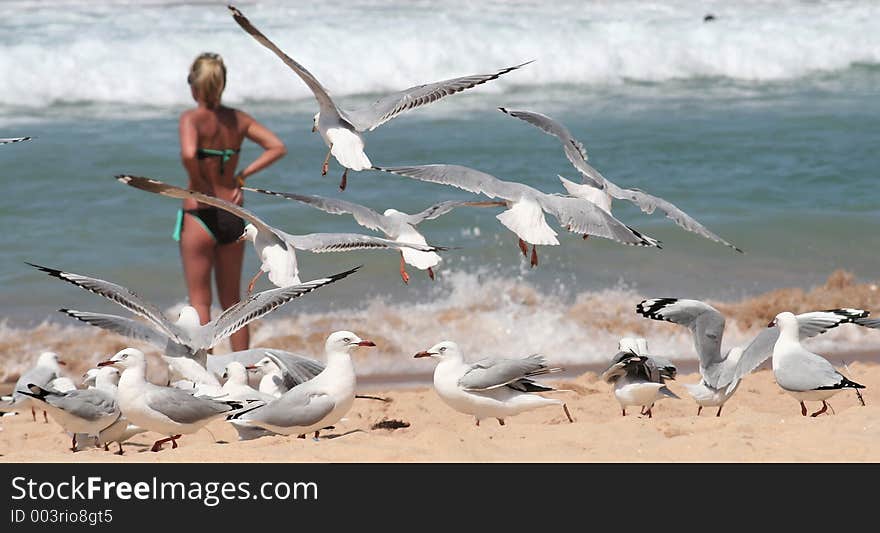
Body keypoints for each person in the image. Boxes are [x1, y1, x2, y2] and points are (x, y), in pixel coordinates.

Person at [175, 52, 286, 350]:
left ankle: (205, 373)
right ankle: (242, 372)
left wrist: (197, 181)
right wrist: (241, 176)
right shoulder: (238, 120)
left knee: (200, 302)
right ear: (222, 84)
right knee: (233, 303)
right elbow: (276, 146)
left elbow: (188, 153)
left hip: (199, 212)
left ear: (195, 86)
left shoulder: (191, 119)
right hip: (233, 212)